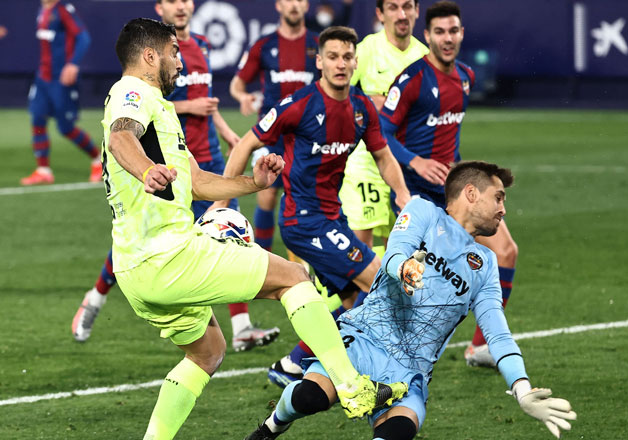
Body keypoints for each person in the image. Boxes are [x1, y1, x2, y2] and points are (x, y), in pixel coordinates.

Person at [102, 18, 407, 439]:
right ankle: (353, 390)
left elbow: (199, 182)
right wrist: (147, 171)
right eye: (174, 53)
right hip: (166, 256)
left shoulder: (161, 109)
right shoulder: (132, 92)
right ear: (150, 56)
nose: (180, 63)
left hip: (137, 269)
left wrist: (255, 183)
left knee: (207, 352)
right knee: (294, 277)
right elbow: (121, 139)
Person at [244, 161, 577, 440]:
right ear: (471, 194)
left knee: (399, 432)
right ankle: (271, 427)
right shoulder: (424, 213)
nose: (504, 209)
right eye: (499, 197)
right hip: (366, 338)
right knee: (309, 396)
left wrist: (522, 390)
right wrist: (402, 267)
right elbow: (395, 252)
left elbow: (498, 333)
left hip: (410, 371)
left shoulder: (486, 264)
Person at [71, 0, 281, 353]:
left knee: (228, 229)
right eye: (173, 1)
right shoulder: (149, 66)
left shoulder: (197, 47)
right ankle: (95, 297)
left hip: (199, 154)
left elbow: (206, 102)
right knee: (148, 235)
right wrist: (154, 159)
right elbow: (135, 120)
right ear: (160, 9)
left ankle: (241, 325)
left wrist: (228, 135)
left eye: (186, 0)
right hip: (160, 160)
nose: (182, 6)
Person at [223, 26, 411, 388]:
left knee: (357, 300)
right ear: (319, 61)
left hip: (332, 218)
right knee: (379, 285)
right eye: (333, 57)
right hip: (303, 221)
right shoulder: (299, 105)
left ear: (356, 61)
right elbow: (245, 144)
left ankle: (292, 365)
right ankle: (356, 372)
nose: (341, 64)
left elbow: (384, 156)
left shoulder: (361, 110)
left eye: (347, 57)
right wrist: (222, 201)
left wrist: (402, 194)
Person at [379, 1, 520, 368]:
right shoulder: (412, 79)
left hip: (454, 194)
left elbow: (447, 134)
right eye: (439, 32)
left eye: (453, 31)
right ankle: (317, 353)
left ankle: (480, 347)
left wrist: (457, 168)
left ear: (462, 34)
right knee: (400, 284)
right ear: (426, 36)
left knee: (505, 252)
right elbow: (380, 131)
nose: (447, 38)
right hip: (418, 196)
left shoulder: (466, 77)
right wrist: (416, 161)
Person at [229, 0, 319, 253]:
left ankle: (306, 262)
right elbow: (236, 84)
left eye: (299, 0)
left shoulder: (318, 45)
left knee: (304, 201)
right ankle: (264, 258)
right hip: (272, 134)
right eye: (288, 0)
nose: (294, 5)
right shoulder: (264, 45)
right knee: (267, 194)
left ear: (306, 5)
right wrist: (242, 96)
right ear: (279, 6)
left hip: (309, 136)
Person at [338, 0, 427, 251]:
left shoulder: (424, 57)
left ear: (417, 11)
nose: (402, 14)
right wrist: (366, 102)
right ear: (380, 13)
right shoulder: (366, 50)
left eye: (407, 6)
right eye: (393, 7)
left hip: (406, 167)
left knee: (400, 251)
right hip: (366, 165)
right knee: (357, 252)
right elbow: (335, 94)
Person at [21, 0, 102, 185]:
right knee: (37, 119)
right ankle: (43, 170)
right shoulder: (42, 10)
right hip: (43, 77)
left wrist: (73, 64)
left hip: (61, 79)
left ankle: (98, 161)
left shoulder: (64, 10)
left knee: (66, 128)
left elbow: (83, 37)